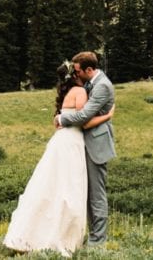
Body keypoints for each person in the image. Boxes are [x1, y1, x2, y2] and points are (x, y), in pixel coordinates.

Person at [3, 60, 115, 256]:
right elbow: (84, 121)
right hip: (72, 144)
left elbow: (73, 116)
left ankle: (37, 234)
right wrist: (108, 116)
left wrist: (61, 118)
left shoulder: (73, 91)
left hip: (64, 142)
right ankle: (67, 238)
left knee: (54, 188)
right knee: (69, 190)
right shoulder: (80, 92)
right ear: (76, 75)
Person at [56, 51, 116, 245]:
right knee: (83, 191)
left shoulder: (103, 86)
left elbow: (84, 117)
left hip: (95, 144)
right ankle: (88, 235)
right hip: (81, 143)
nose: (76, 74)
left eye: (79, 71)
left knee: (96, 194)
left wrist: (61, 118)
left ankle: (98, 241)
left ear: (89, 70)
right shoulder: (89, 84)